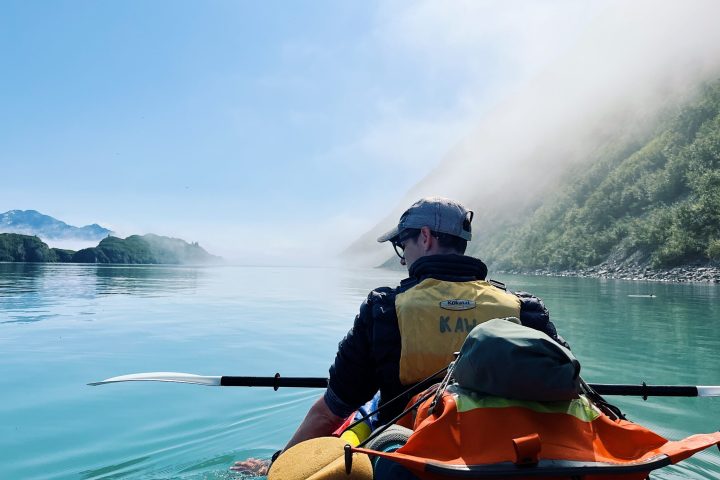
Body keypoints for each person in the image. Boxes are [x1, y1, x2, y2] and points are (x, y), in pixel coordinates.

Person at [231, 196, 565, 476]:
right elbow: (567, 387)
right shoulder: (525, 309)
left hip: (412, 462)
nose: (403, 258)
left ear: (425, 237)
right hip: (513, 455)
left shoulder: (385, 311)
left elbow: (331, 412)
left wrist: (277, 464)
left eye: (402, 246)